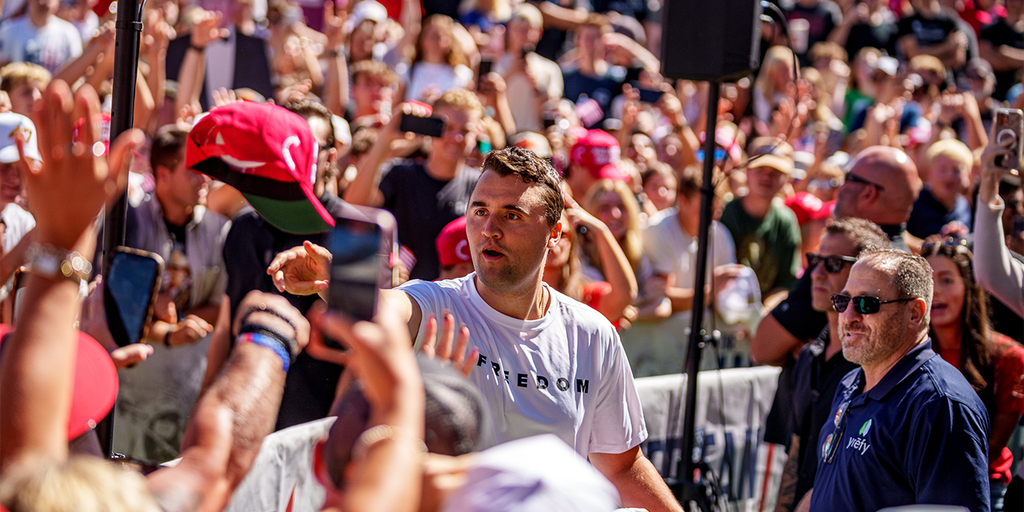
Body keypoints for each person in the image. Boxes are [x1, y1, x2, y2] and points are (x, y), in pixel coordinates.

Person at [268, 146, 683, 512]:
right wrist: (341, 281)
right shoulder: (436, 303)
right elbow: (385, 309)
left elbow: (621, 465)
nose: (489, 229)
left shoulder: (592, 334)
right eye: (480, 211)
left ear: (554, 233)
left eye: (512, 215)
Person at [0, 79, 308, 512]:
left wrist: (60, 242)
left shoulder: (25, 492)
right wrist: (270, 337)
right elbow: (216, 463)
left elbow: (24, 455)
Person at [800, 248, 990, 512]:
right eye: (843, 301)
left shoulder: (939, 405)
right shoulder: (850, 383)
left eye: (867, 304)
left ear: (914, 313)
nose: (849, 317)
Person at [773, 218, 891, 512]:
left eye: (834, 264)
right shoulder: (809, 355)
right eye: (815, 261)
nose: (817, 273)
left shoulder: (875, 366)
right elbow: (796, 456)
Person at [921, 238, 1024, 511]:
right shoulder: (905, 355)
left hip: (984, 488)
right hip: (916, 487)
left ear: (969, 286)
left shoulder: (1010, 358)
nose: (935, 291)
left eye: (946, 280)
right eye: (927, 281)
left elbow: (990, 449)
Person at [344, 89, 484, 281]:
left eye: (465, 131)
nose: (456, 137)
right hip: (403, 292)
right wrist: (386, 137)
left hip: (456, 295)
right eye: (447, 127)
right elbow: (354, 208)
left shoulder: (480, 185)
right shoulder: (400, 174)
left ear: (476, 133)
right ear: (430, 127)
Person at [720, 138, 801, 299]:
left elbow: (787, 283)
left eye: (775, 173)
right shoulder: (725, 212)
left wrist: (765, 310)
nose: (766, 177)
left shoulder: (786, 220)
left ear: (786, 179)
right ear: (747, 172)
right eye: (760, 170)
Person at [906, 139, 974, 239]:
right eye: (943, 170)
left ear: (967, 175)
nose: (949, 177)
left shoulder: (964, 206)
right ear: (929, 173)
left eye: (956, 170)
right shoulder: (914, 205)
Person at [0, 0, 83, 74]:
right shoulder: (8, 31)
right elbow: (2, 70)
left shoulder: (70, 33)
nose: (42, 1)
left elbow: (76, 70)